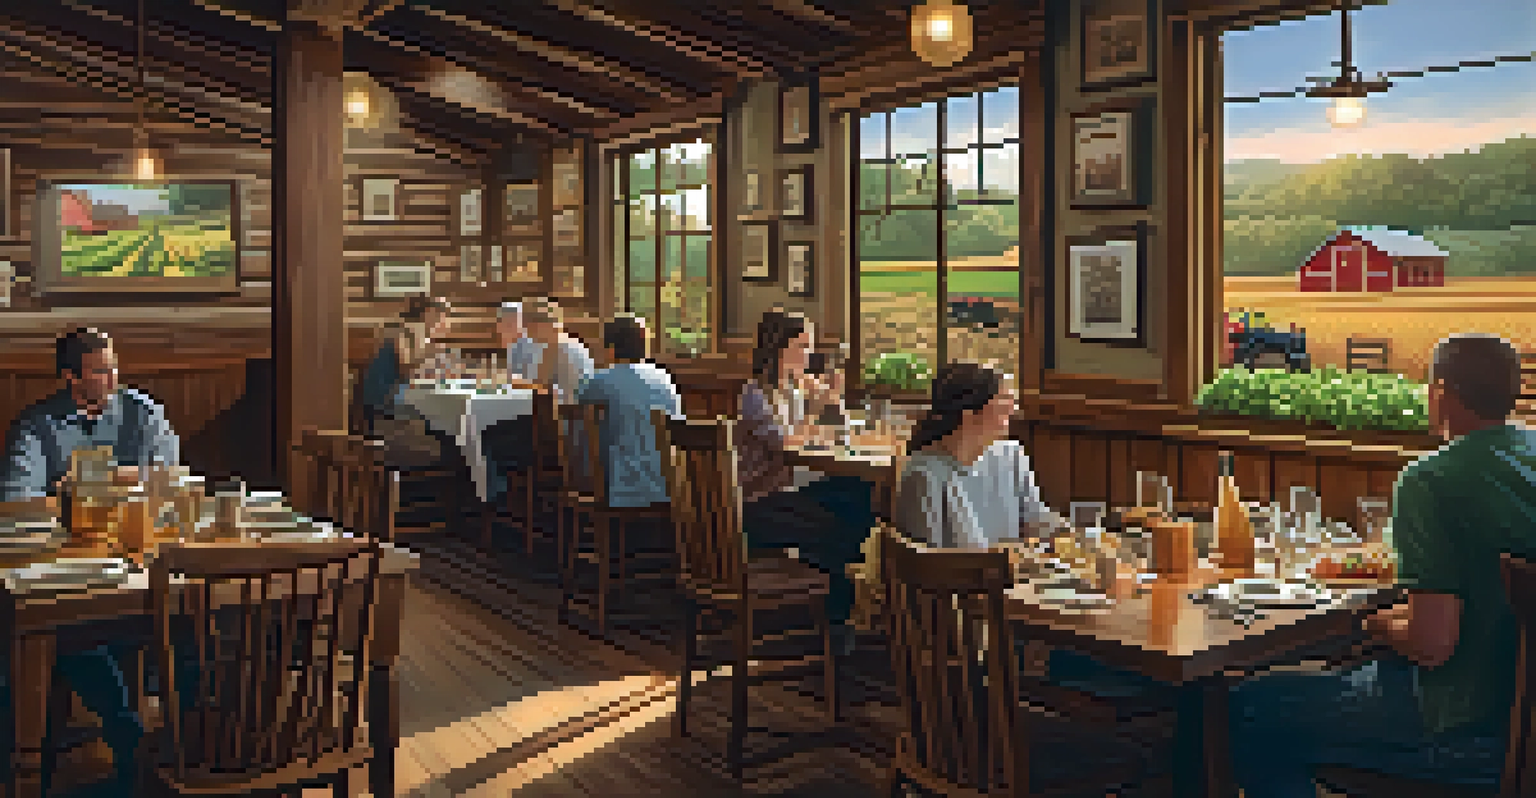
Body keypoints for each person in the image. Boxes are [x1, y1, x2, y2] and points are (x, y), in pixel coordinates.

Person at [1229, 333, 1525, 797]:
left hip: (1461, 729)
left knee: (1250, 706)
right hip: (1522, 727)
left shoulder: (1430, 481)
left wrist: (1378, 625)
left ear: (1440, 393)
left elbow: (1432, 645)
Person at [0, 327, 180, 791]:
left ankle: (193, 748)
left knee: (192, 613)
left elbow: (169, 479)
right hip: (73, 560)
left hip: (140, 557)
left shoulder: (144, 413)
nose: (114, 376)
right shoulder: (38, 424)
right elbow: (17, 499)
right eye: (102, 370)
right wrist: (79, 494)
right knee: (62, 625)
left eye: (114, 365)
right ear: (71, 379)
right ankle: (125, 732)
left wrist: (115, 481)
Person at [737, 310, 877, 655]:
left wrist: (833, 402)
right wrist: (815, 408)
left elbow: (835, 434)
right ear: (778, 349)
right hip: (757, 504)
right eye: (801, 346)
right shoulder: (756, 395)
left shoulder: (792, 390)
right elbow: (786, 444)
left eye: (809, 347)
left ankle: (845, 613)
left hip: (786, 492)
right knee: (839, 525)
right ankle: (834, 621)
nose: (808, 355)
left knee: (860, 499)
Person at [894, 362, 1063, 549]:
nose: (1013, 409)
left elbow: (1036, 521)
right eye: (1004, 399)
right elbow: (927, 566)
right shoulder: (922, 476)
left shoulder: (1012, 455)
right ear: (969, 415)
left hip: (1015, 576)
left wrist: (1079, 537)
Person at [576, 315, 681, 507]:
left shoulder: (601, 380)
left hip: (623, 485)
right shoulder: (664, 378)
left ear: (611, 349)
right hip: (668, 482)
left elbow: (579, 409)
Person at [358, 296, 452, 468]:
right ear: (428, 313)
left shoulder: (421, 335)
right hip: (384, 396)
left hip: (396, 393)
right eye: (441, 314)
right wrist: (429, 355)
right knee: (438, 414)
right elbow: (405, 369)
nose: (443, 321)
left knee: (440, 414)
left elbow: (419, 373)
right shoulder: (404, 330)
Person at [522, 296, 594, 405]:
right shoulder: (566, 342)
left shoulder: (558, 346)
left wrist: (516, 383)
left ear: (539, 325)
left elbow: (541, 388)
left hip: (568, 413)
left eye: (527, 327)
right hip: (573, 408)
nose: (527, 333)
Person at [497, 300, 540, 380]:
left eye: (510, 323)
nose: (502, 329)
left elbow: (531, 379)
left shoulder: (529, 346)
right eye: (504, 322)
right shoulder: (512, 345)